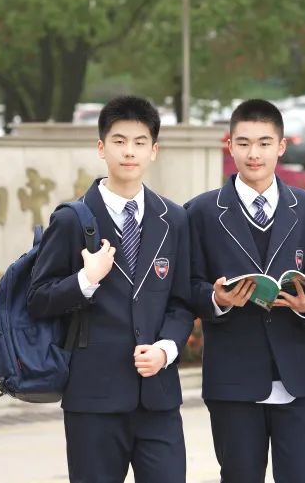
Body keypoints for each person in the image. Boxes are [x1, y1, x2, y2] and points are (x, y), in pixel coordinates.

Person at [27, 95, 194, 483]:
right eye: (119, 141)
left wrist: (166, 349)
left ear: (154, 151)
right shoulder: (72, 220)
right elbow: (39, 299)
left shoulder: (174, 219)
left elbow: (182, 302)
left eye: (139, 142)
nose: (129, 152)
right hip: (93, 399)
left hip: (158, 398)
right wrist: (86, 280)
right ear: (101, 148)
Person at [184, 99, 305, 483]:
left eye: (265, 143)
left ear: (281, 146)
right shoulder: (200, 212)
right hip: (233, 378)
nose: (254, 153)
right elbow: (187, 286)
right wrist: (216, 298)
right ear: (229, 145)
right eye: (244, 142)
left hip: (300, 378)